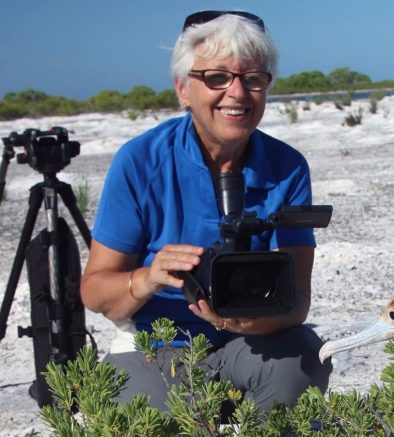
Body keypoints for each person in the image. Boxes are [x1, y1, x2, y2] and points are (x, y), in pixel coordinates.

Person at [81, 10, 332, 412]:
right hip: (158, 340)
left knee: (304, 360)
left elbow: (298, 302)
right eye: (216, 77)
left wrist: (246, 321)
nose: (237, 93)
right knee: (155, 417)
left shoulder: (287, 166)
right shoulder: (140, 161)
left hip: (252, 341)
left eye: (252, 78)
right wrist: (148, 277)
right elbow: (95, 291)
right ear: (183, 88)